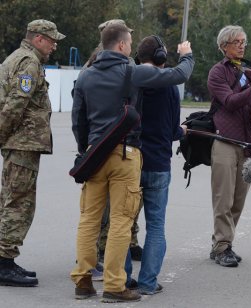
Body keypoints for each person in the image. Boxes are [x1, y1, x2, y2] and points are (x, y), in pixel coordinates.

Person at [70, 23, 194, 302]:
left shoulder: (86, 75)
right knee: (121, 222)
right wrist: (187, 55)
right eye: (127, 44)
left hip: (94, 154)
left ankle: (82, 280)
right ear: (122, 46)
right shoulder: (132, 72)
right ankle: (115, 285)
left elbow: (78, 119)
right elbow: (178, 75)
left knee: (89, 220)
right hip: (125, 154)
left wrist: (86, 151)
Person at [0, 19, 65, 287]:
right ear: (38, 38)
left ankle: (6, 259)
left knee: (15, 201)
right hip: (22, 144)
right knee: (18, 204)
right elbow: (16, 103)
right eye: (51, 40)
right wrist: (3, 136)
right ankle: (3, 262)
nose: (54, 45)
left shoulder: (19, 57)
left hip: (21, 144)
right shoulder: (29, 62)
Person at [124, 35, 187, 295]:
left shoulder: (130, 81)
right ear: (161, 57)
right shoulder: (170, 87)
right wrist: (182, 131)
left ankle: (123, 279)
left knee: (124, 225)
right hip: (159, 162)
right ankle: (149, 282)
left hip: (130, 161)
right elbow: (173, 130)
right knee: (156, 226)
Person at [207, 25, 251, 267]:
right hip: (225, 140)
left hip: (248, 142)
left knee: (238, 199)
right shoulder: (218, 72)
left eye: (244, 41)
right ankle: (222, 245)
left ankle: (223, 243)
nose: (242, 46)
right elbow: (230, 102)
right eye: (236, 42)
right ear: (224, 46)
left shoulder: (249, 71)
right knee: (223, 198)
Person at [83, 19, 143, 267]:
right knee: (111, 210)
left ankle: (127, 243)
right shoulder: (109, 63)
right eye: (128, 36)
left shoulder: (94, 65)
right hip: (118, 146)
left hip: (97, 145)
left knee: (105, 210)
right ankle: (103, 257)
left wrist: (85, 147)